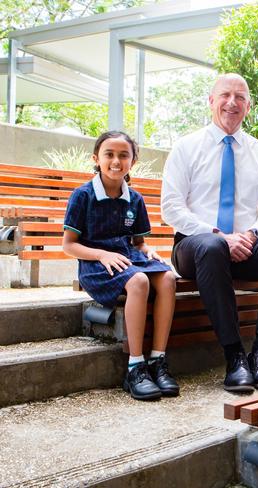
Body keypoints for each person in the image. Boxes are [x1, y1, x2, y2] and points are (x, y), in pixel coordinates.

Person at [162, 73, 258, 393]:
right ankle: (234, 356)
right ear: (211, 101)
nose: (232, 102)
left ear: (248, 106)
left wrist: (252, 234)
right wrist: (218, 235)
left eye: (240, 97)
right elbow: (171, 207)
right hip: (195, 247)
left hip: (245, 245)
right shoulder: (187, 147)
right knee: (212, 247)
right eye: (225, 95)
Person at [63, 131, 179, 401]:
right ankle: (135, 367)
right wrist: (102, 255)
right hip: (96, 264)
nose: (116, 161)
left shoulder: (135, 199)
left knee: (168, 279)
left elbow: (138, 243)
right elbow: (69, 245)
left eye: (123, 155)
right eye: (109, 155)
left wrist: (148, 251)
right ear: (96, 159)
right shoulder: (82, 196)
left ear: (133, 161)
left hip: (128, 258)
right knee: (138, 281)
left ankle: (157, 360)